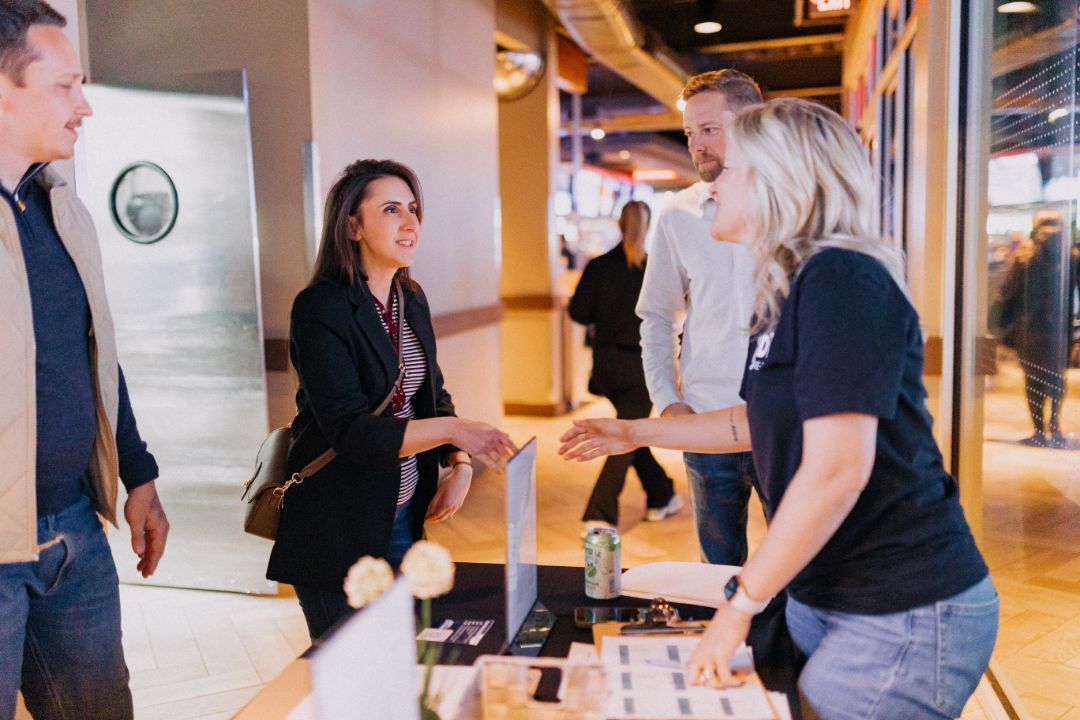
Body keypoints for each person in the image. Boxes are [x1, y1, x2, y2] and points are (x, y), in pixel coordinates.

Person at [560, 98, 998, 719]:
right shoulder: (790, 288)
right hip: (835, 594)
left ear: (778, 182)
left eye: (731, 168)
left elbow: (838, 471)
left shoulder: (841, 279)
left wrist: (740, 604)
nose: (714, 180)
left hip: (902, 605)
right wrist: (634, 429)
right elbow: (751, 419)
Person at [0, 2, 170, 718]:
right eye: (66, 86)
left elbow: (92, 351)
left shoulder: (59, 205)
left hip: (73, 529)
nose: (85, 106)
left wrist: (138, 474)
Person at [266, 159, 517, 640]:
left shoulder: (411, 298)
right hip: (336, 527)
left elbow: (433, 395)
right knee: (355, 675)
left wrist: (459, 464)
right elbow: (352, 432)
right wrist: (453, 431)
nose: (410, 222)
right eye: (391, 209)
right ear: (353, 225)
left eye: (414, 209)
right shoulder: (321, 307)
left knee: (405, 658)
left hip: (402, 515)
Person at [636, 69, 765, 565]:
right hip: (706, 420)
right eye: (690, 133)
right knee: (719, 568)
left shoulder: (794, 206)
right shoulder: (677, 215)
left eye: (708, 130)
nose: (696, 145)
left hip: (779, 422)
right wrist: (667, 401)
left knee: (800, 571)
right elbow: (655, 315)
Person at [569, 201, 681, 532]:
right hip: (643, 367)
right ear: (646, 228)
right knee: (629, 434)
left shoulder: (599, 266)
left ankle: (657, 495)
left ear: (619, 225)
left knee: (628, 431)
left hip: (607, 366)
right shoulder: (654, 269)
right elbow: (670, 316)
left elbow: (578, 312)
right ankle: (604, 513)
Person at [998, 211, 1078, 448]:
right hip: (1060, 329)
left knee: (1033, 379)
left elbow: (1008, 294)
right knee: (1057, 378)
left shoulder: (1023, 256)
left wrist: (1003, 328)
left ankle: (1038, 431)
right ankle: (1056, 427)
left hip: (1030, 328)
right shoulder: (1072, 257)